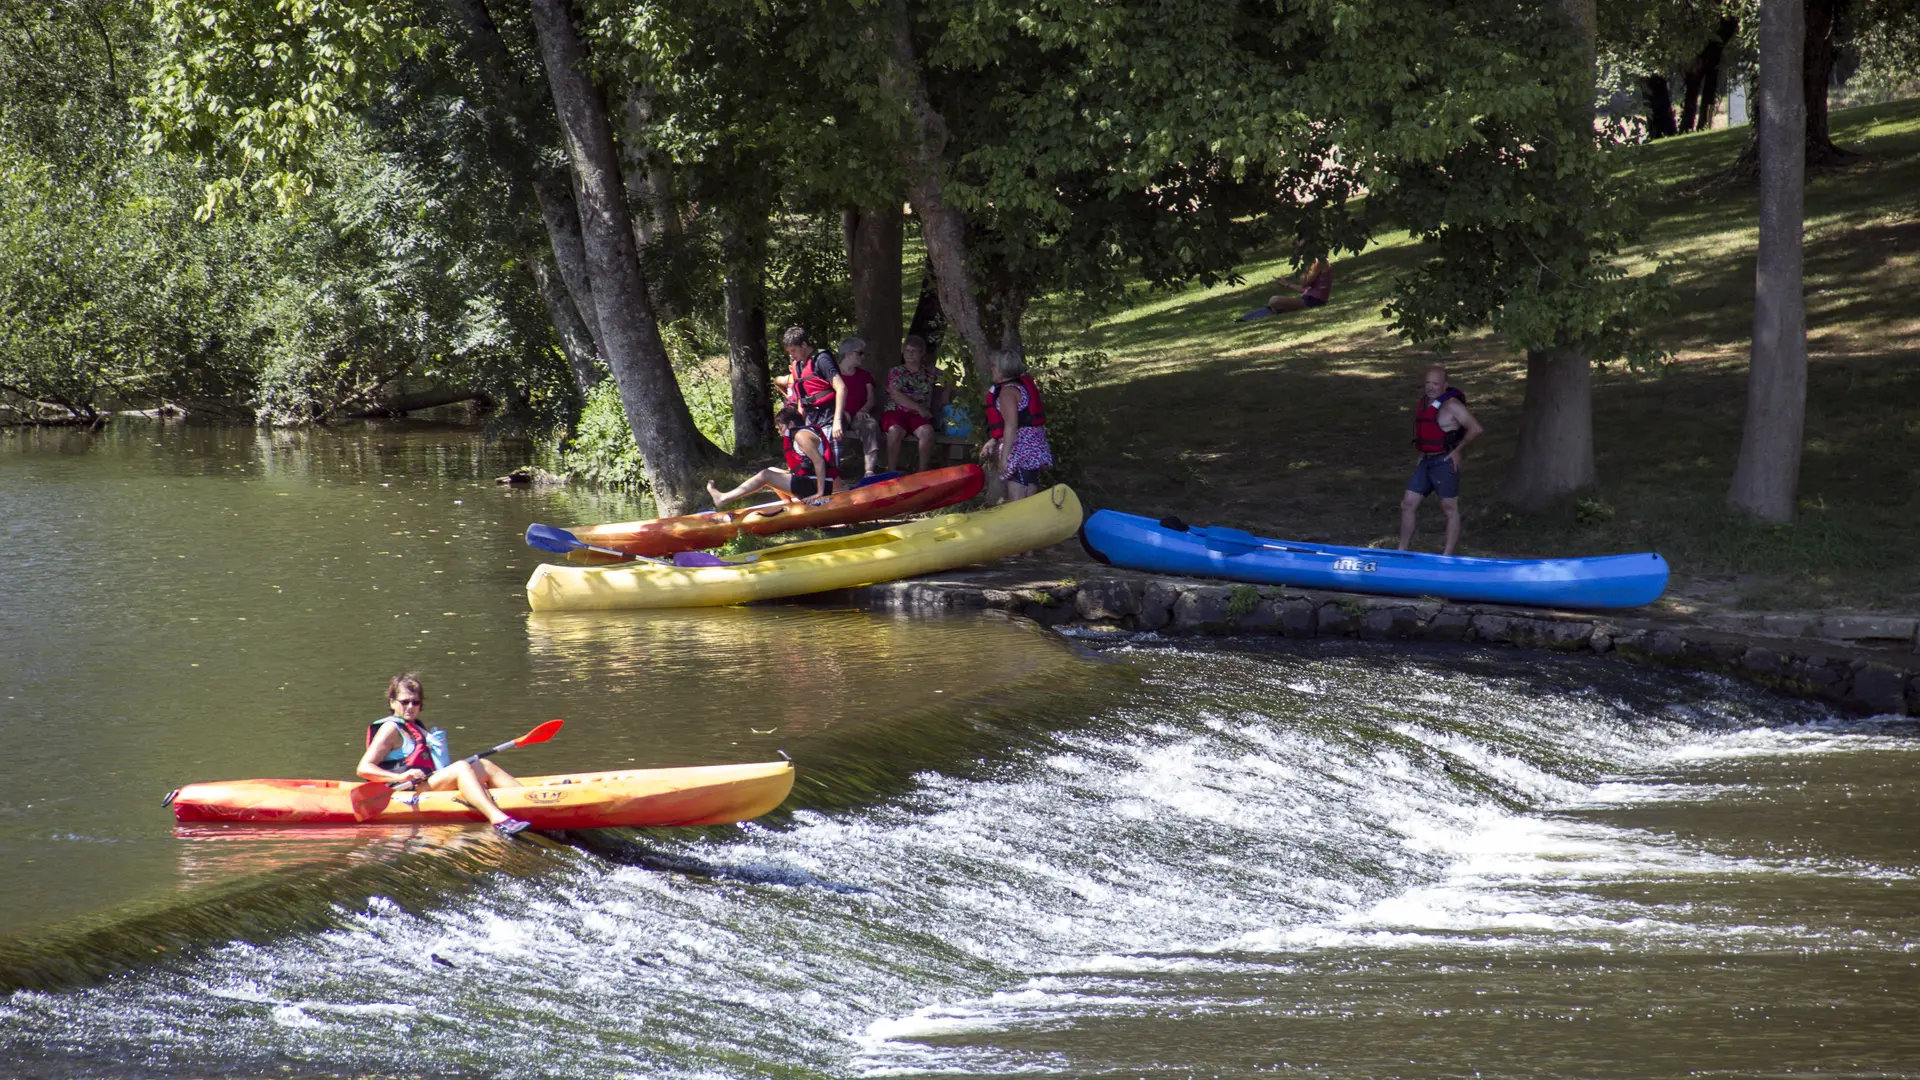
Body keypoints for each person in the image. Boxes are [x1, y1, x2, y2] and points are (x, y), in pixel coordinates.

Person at [357, 674, 530, 837]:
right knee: (461, 767)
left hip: (426, 783)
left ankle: (532, 802)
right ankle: (498, 819)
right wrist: (400, 776)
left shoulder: (416, 727)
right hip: (405, 790)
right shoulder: (391, 729)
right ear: (393, 702)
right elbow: (364, 769)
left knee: (483, 764)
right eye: (405, 701)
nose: (410, 707)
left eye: (415, 702)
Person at [1399, 364, 1483, 556]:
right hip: (1426, 461)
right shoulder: (1424, 403)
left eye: (1435, 383)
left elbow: (1476, 428)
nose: (1431, 387)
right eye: (1427, 383)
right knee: (1407, 504)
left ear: (1445, 385)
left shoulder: (1452, 405)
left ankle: (1446, 556)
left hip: (1444, 462)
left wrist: (1457, 451)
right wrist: (1422, 456)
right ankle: (1401, 552)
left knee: (1449, 508)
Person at [707, 405, 837, 509]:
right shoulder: (801, 434)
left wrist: (819, 494)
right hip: (810, 481)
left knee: (766, 475)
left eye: (781, 428)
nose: (780, 432)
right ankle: (789, 505)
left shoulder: (801, 435)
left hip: (818, 486)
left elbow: (819, 462)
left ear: (791, 424)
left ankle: (723, 499)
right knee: (772, 470)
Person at [979, 349, 1053, 502]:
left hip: (1020, 449)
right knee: (1029, 488)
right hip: (1033, 445)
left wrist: (1004, 458)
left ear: (1001, 369)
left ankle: (1024, 524)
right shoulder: (1020, 386)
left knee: (1018, 495)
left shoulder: (1007, 393)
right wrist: (993, 441)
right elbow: (1020, 420)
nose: (991, 369)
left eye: (993, 365)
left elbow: (1011, 426)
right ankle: (1031, 522)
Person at [882, 334, 940, 473]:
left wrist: (945, 395)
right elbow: (895, 394)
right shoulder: (896, 372)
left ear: (922, 353)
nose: (910, 354)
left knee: (927, 431)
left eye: (914, 351)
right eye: (907, 350)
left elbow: (952, 377)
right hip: (896, 412)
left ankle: (921, 472)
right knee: (894, 432)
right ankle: (891, 472)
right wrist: (919, 408)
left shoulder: (928, 373)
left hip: (917, 417)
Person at [772, 327, 843, 432]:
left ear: (804, 345)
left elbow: (841, 388)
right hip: (811, 419)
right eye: (789, 352)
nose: (791, 355)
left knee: (830, 448)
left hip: (829, 417)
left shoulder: (822, 359)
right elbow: (802, 398)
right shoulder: (798, 365)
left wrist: (838, 421)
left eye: (793, 350)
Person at [835, 337, 882, 478]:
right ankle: (833, 471)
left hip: (858, 414)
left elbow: (871, 399)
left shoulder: (864, 375)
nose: (863, 356)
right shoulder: (833, 374)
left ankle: (869, 472)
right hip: (838, 414)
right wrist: (841, 412)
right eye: (860, 353)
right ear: (848, 354)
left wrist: (863, 410)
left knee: (870, 426)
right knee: (832, 428)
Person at [1236, 255, 1333, 321]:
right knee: (1273, 304)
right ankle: (1245, 319)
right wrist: (1286, 284)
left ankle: (1274, 311)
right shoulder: (1317, 261)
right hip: (1308, 299)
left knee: (1275, 300)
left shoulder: (1319, 261)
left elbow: (1304, 283)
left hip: (1314, 302)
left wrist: (1303, 267)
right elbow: (1306, 289)